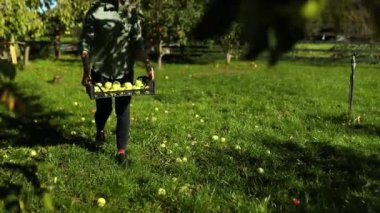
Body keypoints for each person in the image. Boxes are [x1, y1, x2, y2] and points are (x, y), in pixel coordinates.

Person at [78, 0, 154, 165]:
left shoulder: (131, 13)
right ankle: (100, 130)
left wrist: (147, 65)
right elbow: (85, 44)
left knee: (123, 110)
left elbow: (138, 43)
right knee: (104, 109)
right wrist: (86, 70)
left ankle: (121, 152)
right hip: (101, 69)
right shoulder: (96, 11)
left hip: (124, 69)